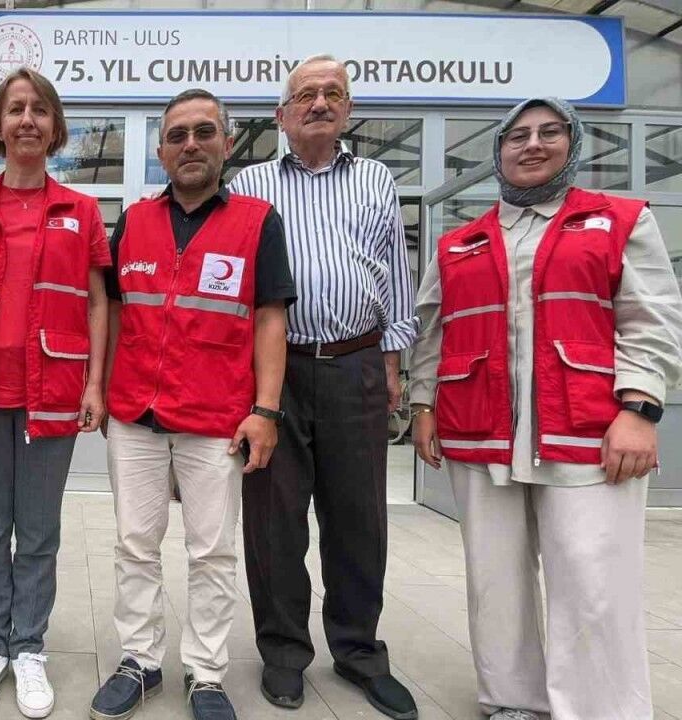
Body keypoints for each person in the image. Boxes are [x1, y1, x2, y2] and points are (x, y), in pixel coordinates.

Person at [410, 97, 682, 720]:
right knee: (494, 578)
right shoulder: (459, 242)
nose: (532, 144)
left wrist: (640, 409)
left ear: (572, 143)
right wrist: (423, 405)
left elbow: (652, 320)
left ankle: (598, 709)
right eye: (518, 136)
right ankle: (513, 700)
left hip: (589, 431)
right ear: (498, 152)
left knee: (591, 579)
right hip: (482, 431)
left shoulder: (619, 220)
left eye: (549, 132)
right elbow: (432, 331)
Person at [90, 88, 294, 720]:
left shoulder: (258, 222)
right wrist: (103, 388)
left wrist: (265, 410)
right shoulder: (134, 221)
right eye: (177, 135)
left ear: (227, 144)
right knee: (134, 544)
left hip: (216, 418)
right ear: (161, 151)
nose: (190, 145)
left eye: (204, 132)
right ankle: (140, 661)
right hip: (136, 415)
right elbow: (115, 311)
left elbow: (270, 319)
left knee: (212, 552)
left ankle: (206, 673)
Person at [227, 54, 418, 719]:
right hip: (274, 375)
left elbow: (394, 270)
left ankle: (360, 651)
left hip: (356, 363)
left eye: (333, 93)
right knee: (274, 522)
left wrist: (392, 362)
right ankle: (283, 653)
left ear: (348, 109)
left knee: (359, 519)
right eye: (306, 94)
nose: (319, 103)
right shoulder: (250, 182)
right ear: (281, 115)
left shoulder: (375, 178)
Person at [0, 68, 110, 719]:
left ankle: (29, 646)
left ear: (54, 126)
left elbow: (97, 301)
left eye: (39, 109)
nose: (27, 119)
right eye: (15, 109)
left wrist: (95, 383)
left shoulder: (81, 211)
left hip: (52, 391)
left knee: (37, 532)